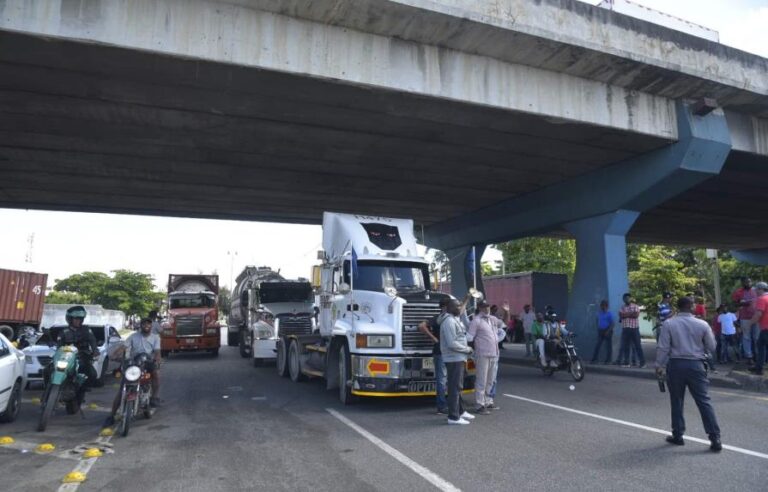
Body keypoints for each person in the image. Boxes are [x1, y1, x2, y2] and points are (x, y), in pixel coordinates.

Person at [655, 296, 721, 452]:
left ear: (678, 307)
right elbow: (711, 347)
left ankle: (678, 435)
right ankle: (715, 438)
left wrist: (659, 365)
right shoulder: (702, 324)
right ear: (691, 307)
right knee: (704, 401)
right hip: (696, 365)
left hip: (676, 365)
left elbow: (663, 347)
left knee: (677, 401)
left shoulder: (669, 324)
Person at [104, 318, 163, 427]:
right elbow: (123, 347)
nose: (146, 325)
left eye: (148, 324)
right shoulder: (133, 336)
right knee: (122, 388)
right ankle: (111, 416)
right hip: (135, 363)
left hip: (148, 362)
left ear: (151, 326)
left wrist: (157, 360)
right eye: (144, 323)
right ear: (141, 325)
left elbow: (157, 352)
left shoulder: (155, 337)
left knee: (156, 374)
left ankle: (154, 397)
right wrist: (114, 355)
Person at [48, 306, 99, 403]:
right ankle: (48, 388)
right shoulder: (63, 332)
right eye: (76, 319)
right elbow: (59, 345)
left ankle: (80, 393)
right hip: (65, 357)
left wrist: (95, 350)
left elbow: (92, 341)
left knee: (92, 374)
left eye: (80, 319)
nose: (78, 321)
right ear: (70, 319)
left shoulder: (86, 330)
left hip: (81, 357)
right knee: (48, 369)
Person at [439, 298, 476, 425]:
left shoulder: (454, 319)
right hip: (454, 357)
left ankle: (460, 411)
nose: (459, 308)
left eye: (460, 306)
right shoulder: (449, 321)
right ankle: (453, 417)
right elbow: (451, 343)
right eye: (456, 306)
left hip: (459, 357)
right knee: (454, 387)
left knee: (458, 386)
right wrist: (467, 349)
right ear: (449, 308)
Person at [418, 297, 451, 415]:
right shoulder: (438, 318)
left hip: (449, 353)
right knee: (442, 380)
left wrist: (467, 298)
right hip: (440, 352)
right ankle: (441, 406)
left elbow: (461, 310)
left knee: (448, 379)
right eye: (450, 305)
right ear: (444, 307)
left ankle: (449, 404)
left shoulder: (449, 318)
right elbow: (422, 326)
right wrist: (434, 338)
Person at [467, 300, 501, 415]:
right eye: (484, 307)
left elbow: (504, 324)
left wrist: (507, 312)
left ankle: (487, 401)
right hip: (482, 354)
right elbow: (469, 338)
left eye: (488, 306)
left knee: (491, 380)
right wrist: (472, 350)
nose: (487, 309)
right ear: (479, 308)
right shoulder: (476, 321)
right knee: (482, 380)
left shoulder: (492, 319)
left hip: (494, 354)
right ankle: (479, 404)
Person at [732, 277, 757, 363]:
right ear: (742, 283)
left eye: (750, 281)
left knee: (756, 337)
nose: (748, 283)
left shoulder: (756, 290)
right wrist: (742, 303)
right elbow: (734, 304)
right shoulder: (738, 292)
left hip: (756, 317)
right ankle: (749, 356)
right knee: (746, 337)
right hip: (745, 318)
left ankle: (757, 355)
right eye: (746, 282)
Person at [616, 293, 645, 368]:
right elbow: (621, 315)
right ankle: (626, 363)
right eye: (625, 298)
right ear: (623, 299)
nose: (627, 299)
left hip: (634, 328)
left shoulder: (635, 306)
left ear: (630, 298)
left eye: (628, 298)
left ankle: (642, 363)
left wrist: (626, 315)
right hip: (625, 329)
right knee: (626, 346)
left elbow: (636, 315)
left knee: (638, 346)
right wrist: (630, 314)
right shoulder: (622, 307)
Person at [748, 282, 768, 376]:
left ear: (761, 289)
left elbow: (758, 314)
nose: (755, 291)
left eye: (756, 289)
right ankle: (759, 366)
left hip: (766, 328)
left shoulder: (761, 299)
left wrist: (750, 323)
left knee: (761, 347)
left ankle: (759, 369)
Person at [591, 300, 614, 364]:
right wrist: (598, 328)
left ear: (607, 306)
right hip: (600, 330)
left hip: (608, 330)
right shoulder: (599, 313)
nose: (603, 307)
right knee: (598, 345)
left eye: (604, 306)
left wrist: (608, 331)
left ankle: (608, 360)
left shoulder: (609, 314)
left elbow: (612, 324)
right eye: (602, 306)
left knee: (608, 346)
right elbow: (597, 321)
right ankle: (594, 359)